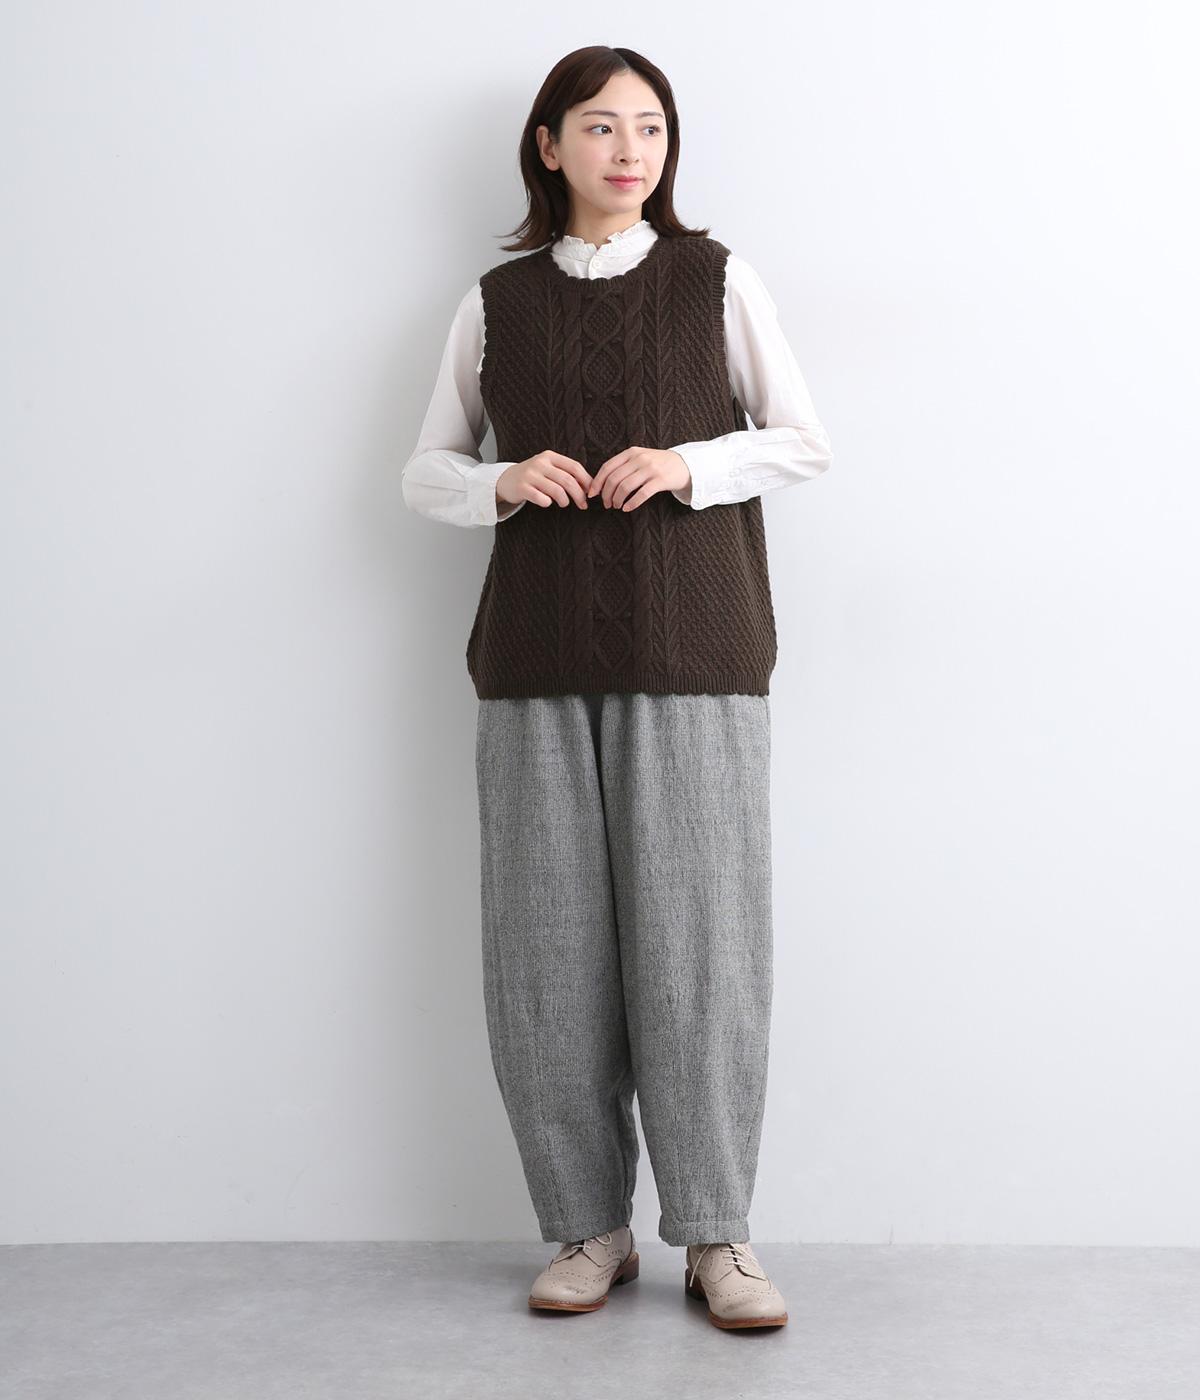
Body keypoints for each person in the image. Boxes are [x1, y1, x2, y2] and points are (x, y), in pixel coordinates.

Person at [402, 45, 833, 1331]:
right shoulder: (497, 302)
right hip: (533, 661)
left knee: (701, 947)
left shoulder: (716, 279)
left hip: (696, 656)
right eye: (600, 125)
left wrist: (691, 463)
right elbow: (425, 468)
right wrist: (499, 480)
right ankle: (587, 1228)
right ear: (549, 146)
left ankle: (718, 1234)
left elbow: (804, 440)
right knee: (546, 952)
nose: (629, 148)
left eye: (650, 126)